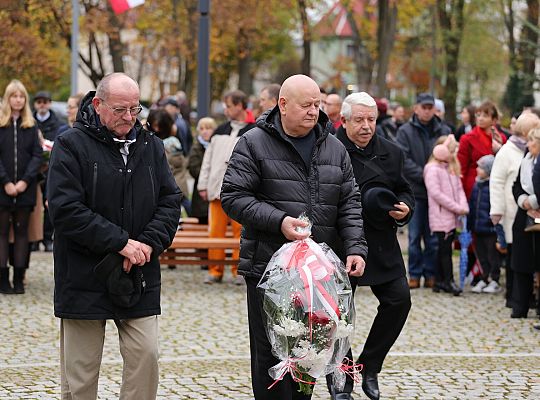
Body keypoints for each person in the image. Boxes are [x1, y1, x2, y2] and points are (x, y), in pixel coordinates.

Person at [220, 74, 367, 400]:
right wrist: (279, 221)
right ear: (283, 105)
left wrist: (356, 247)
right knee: (270, 357)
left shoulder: (334, 147)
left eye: (317, 104)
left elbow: (350, 202)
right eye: (306, 105)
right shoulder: (253, 142)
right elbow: (232, 197)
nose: (314, 111)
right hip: (267, 270)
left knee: (309, 353)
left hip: (318, 276)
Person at [47, 73, 182, 399]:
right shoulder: (70, 145)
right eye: (120, 110)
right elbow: (66, 210)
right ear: (98, 104)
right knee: (80, 375)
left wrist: (146, 244)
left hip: (138, 273)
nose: (128, 118)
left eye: (135, 109)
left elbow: (170, 201)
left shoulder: (150, 145)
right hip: (83, 273)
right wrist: (120, 243)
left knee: (146, 356)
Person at [332, 92, 413, 400]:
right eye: (359, 120)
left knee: (399, 301)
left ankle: (370, 365)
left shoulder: (391, 151)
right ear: (344, 120)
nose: (366, 126)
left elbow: (404, 188)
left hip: (380, 241)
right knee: (336, 314)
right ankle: (342, 375)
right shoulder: (328, 147)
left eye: (371, 120)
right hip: (340, 240)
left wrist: (405, 206)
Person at [197, 90, 255, 285]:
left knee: (241, 233)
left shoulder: (252, 131)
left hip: (241, 192)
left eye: (229, 105)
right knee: (215, 232)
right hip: (216, 189)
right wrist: (203, 184)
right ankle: (215, 270)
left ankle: (238, 270)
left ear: (239, 106)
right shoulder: (218, 131)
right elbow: (207, 160)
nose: (226, 109)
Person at [396, 93, 452, 289]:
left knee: (432, 238)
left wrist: (435, 177)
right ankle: (414, 274)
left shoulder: (444, 129)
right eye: (424, 107)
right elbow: (403, 159)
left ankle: (431, 274)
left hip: (438, 194)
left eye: (430, 107)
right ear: (416, 108)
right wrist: (427, 175)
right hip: (416, 192)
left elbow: (451, 157)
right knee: (414, 237)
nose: (427, 111)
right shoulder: (405, 131)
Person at [490, 112, 540, 306]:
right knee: (514, 257)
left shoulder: (532, 150)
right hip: (513, 210)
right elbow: (497, 182)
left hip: (529, 211)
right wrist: (497, 212)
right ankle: (513, 297)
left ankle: (527, 298)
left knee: (526, 257)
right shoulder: (507, 151)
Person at [0, 80, 43, 294]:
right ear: (7, 99)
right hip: (2, 188)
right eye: (14, 96)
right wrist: (6, 181)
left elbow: (37, 154)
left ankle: (19, 278)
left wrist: (25, 181)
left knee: (22, 232)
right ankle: (2, 279)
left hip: (25, 187)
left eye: (21, 96)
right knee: (2, 233)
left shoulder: (31, 125)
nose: (18, 100)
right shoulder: (1, 124)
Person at [424, 135, 468, 296]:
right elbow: (436, 193)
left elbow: (458, 189)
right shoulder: (432, 169)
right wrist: (457, 207)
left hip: (452, 216)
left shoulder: (450, 168)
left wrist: (463, 206)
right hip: (441, 216)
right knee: (444, 250)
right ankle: (447, 280)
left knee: (446, 248)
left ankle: (440, 280)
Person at [508, 127, 540, 318]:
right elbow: (517, 185)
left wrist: (535, 201)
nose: (528, 145)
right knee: (521, 261)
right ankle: (520, 305)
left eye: (531, 142)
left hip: (537, 210)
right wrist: (524, 201)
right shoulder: (526, 161)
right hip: (525, 214)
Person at [458, 101, 507, 200]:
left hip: (496, 187)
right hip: (474, 187)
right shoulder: (467, 138)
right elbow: (461, 168)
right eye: (478, 115)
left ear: (494, 120)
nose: (480, 118)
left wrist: (500, 147)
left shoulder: (501, 138)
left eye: (485, 116)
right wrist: (460, 193)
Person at [468, 155, 501, 293]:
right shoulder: (477, 185)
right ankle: (484, 277)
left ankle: (494, 279)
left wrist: (490, 220)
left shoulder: (492, 186)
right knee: (481, 255)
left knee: (492, 255)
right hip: (477, 228)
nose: (477, 169)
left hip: (490, 229)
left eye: (480, 167)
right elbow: (473, 205)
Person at [188, 117, 216, 225]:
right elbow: (193, 169)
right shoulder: (196, 148)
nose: (205, 131)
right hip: (201, 197)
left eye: (208, 128)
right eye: (202, 128)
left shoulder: (217, 145)